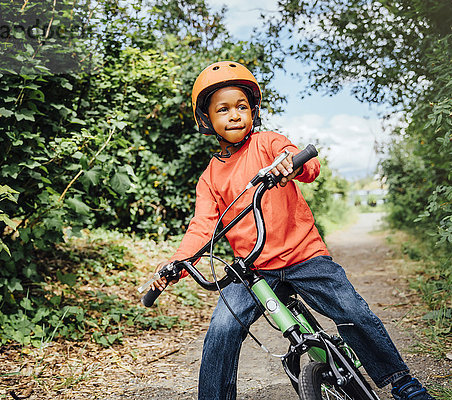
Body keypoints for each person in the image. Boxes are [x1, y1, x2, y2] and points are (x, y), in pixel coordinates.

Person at [152, 61, 435, 400]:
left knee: (352, 309)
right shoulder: (210, 177)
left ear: (253, 111)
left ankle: (404, 385)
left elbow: (307, 163)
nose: (234, 115)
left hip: (304, 257)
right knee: (222, 328)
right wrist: (177, 265)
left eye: (242, 106)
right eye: (223, 109)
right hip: (253, 271)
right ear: (206, 120)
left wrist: (292, 163)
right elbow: (201, 227)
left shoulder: (268, 143)